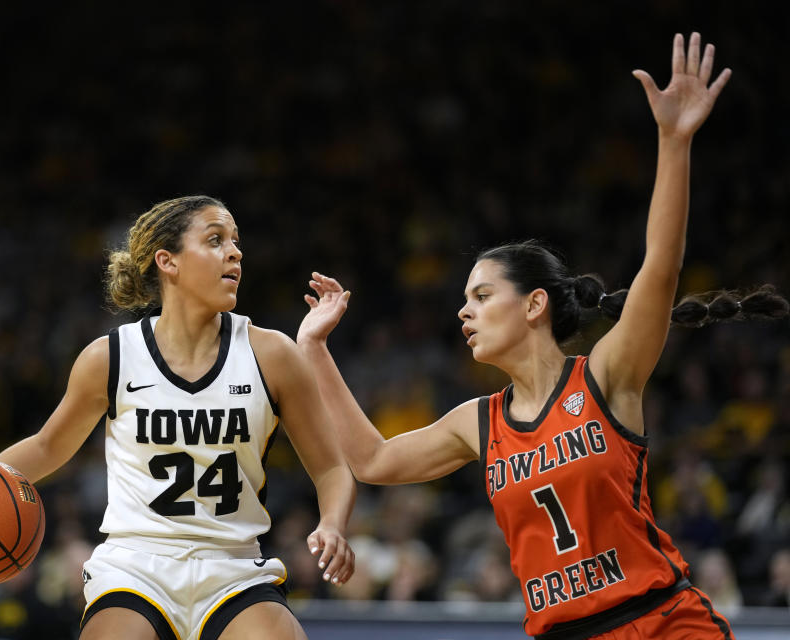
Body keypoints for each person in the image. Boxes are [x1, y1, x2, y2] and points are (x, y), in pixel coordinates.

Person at [297, 34, 787, 639]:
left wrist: (674, 141)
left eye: (480, 296)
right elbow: (370, 460)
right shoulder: (477, 421)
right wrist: (314, 349)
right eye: (463, 299)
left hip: (661, 623)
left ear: (533, 304)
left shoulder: (606, 375)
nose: (463, 312)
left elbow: (659, 263)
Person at [0, 195, 356, 640]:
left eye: (236, 242)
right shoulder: (112, 357)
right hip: (135, 564)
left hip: (233, 563)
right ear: (168, 261)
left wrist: (332, 523)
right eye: (216, 240)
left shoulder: (272, 354)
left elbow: (333, 467)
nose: (235, 252)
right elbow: (47, 447)